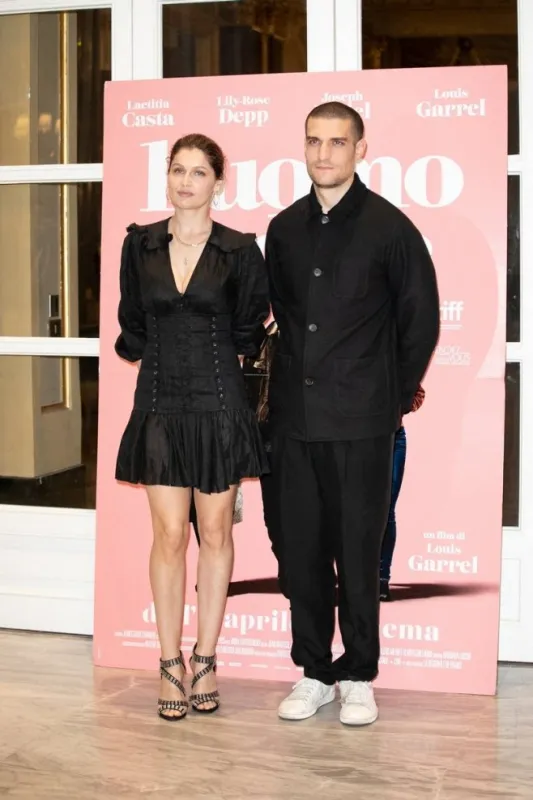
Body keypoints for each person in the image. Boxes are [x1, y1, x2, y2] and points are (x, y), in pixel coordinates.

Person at [265, 102, 440, 726]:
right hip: (293, 424)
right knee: (302, 552)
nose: (323, 154)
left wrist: (386, 401)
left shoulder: (391, 229)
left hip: (362, 424)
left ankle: (359, 672)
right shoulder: (283, 229)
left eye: (337, 142)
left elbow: (420, 324)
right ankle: (313, 670)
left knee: (358, 553)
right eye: (313, 141)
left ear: (360, 148)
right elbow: (282, 320)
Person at [114, 133, 270, 721]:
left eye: (198, 172)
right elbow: (132, 321)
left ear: (218, 183)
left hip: (220, 404)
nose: (186, 181)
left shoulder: (239, 249)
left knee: (217, 535)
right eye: (177, 170)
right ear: (167, 177)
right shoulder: (141, 244)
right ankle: (169, 661)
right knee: (170, 538)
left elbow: (250, 328)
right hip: (158, 402)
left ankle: (206, 657)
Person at [380, 385, 425, 602]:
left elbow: (418, 395)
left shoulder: (391, 356)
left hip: (394, 435)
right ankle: (354, 578)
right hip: (357, 439)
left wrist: (398, 405)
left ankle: (381, 579)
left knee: (387, 510)